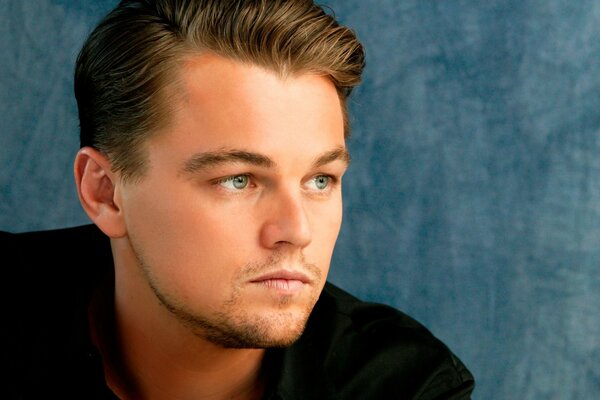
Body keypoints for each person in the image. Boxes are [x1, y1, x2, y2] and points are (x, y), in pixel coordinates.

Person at [1, 0, 475, 398]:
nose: (297, 231)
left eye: (320, 180)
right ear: (105, 192)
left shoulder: (402, 386)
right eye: (239, 180)